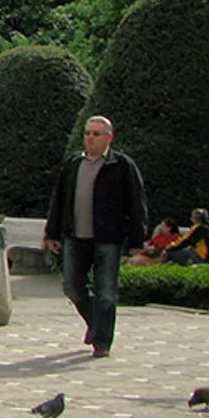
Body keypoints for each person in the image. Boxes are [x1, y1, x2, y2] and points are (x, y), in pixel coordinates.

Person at [44, 115, 149, 359]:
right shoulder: (73, 164)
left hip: (108, 238)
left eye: (96, 134)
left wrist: (136, 242)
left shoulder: (121, 165)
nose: (90, 138)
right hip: (75, 236)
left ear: (109, 138)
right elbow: (59, 200)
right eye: (88, 133)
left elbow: (136, 204)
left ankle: (102, 342)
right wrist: (52, 232)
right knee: (72, 286)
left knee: (106, 293)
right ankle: (96, 323)